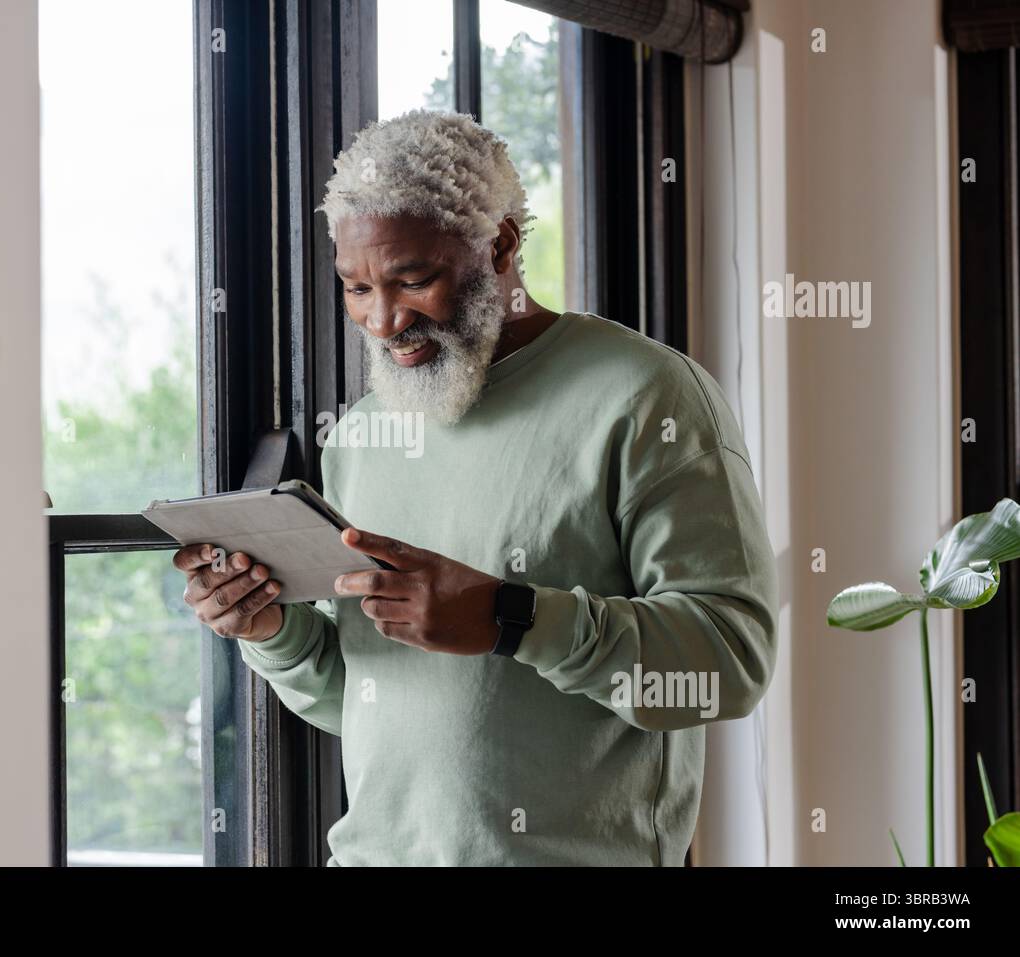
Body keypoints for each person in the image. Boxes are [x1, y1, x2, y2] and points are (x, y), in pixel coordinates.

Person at [173, 109, 778, 865]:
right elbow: (372, 699)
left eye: (412, 279)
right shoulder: (364, 432)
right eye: (356, 288)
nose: (384, 319)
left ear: (499, 245)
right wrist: (272, 632)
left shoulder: (648, 395)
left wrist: (509, 616)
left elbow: (731, 662)